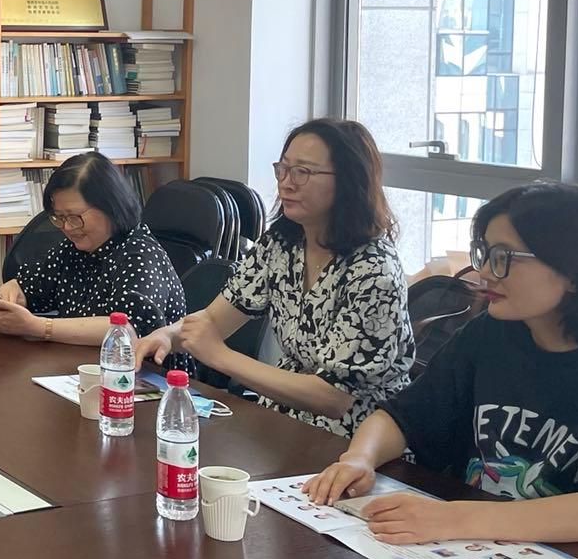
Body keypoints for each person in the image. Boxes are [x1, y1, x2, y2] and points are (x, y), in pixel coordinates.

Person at [305, 182, 578, 555]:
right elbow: (403, 416)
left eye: (505, 257)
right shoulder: (489, 333)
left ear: (574, 272)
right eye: (485, 253)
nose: (486, 271)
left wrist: (452, 518)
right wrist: (360, 457)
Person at [139, 118, 412, 434]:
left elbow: (334, 398)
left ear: (349, 181)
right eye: (283, 169)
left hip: (357, 439)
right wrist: (167, 336)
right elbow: (214, 320)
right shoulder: (282, 244)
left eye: (302, 172)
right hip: (286, 420)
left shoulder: (374, 272)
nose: (286, 183)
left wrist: (221, 356)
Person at [0, 151, 186, 346]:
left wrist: (39, 327)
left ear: (110, 207)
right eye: (59, 217)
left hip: (143, 371)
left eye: (74, 217)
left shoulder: (140, 255)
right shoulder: (73, 250)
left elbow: (126, 330)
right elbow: (30, 287)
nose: (67, 227)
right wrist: (12, 294)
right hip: (81, 363)